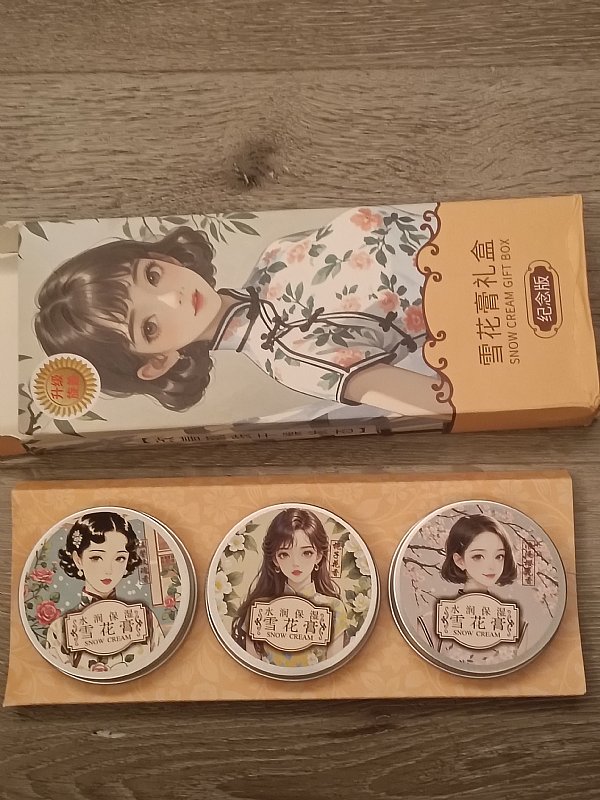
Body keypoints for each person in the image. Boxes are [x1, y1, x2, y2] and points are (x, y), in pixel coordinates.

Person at [34, 206, 450, 419]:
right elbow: (449, 403)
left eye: (153, 276)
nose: (173, 298)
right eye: (150, 326)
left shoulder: (274, 256)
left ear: (162, 258)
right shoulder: (293, 359)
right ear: (158, 361)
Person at [45, 511, 165, 672]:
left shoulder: (145, 618)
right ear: (78, 559)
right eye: (96, 557)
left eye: (119, 558)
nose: (108, 570)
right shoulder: (60, 629)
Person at [232, 508, 348, 667]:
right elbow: (253, 667)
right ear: (275, 560)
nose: (295, 563)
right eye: (284, 554)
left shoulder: (334, 608)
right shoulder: (259, 608)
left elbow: (333, 667)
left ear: (319, 556)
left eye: (306, 553)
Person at [416, 514, 526, 663]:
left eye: (499, 556)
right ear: (459, 561)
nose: (491, 566)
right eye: (478, 556)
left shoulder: (517, 625)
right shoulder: (430, 622)